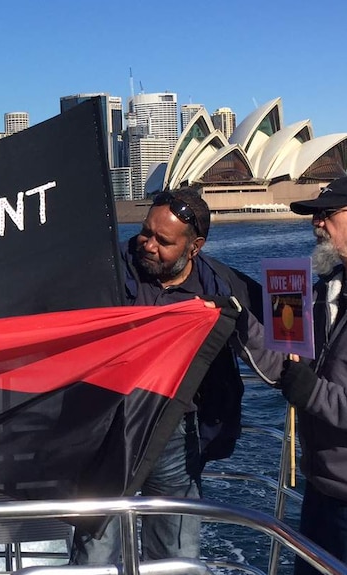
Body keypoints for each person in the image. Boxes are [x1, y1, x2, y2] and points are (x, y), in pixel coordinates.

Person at [71, 187, 284, 565]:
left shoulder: (223, 286)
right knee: (94, 554)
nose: (147, 244)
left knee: (175, 556)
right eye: (145, 232)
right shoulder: (106, 269)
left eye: (162, 240)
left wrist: (298, 375)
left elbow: (274, 341)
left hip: (177, 437)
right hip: (107, 433)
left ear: (194, 247)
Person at [281, 176, 347, 573]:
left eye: (326, 215)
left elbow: (315, 389)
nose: (316, 225)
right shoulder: (330, 292)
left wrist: (311, 393)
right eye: (315, 217)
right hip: (321, 488)